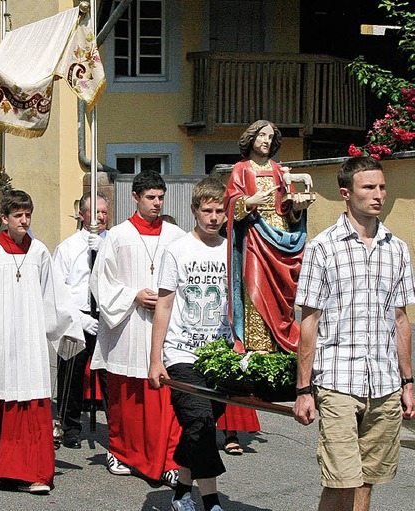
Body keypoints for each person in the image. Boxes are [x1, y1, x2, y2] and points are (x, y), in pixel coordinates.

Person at [293, 156, 415, 511]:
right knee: (341, 480)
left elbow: (401, 321)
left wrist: (408, 382)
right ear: (346, 193)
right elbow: (309, 321)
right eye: (369, 187)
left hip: (385, 382)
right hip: (338, 381)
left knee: (367, 479)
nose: (378, 195)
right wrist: (303, 389)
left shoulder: (397, 248)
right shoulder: (322, 247)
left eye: (382, 187)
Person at [0, 190, 84, 493]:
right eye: (18, 216)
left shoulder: (39, 251)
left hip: (30, 342)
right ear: (4, 219)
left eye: (28, 215)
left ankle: (30, 469)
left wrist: (70, 326)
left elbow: (53, 295)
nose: (24, 221)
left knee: (29, 403)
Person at [90, 170, 185, 486]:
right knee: (127, 398)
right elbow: (100, 281)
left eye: (160, 197)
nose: (157, 203)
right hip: (128, 325)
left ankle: (169, 460)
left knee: (165, 398)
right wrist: (134, 294)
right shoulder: (118, 235)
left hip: (165, 327)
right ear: (135, 197)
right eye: (150, 197)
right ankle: (120, 451)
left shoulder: (175, 235)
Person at [149, 177, 231, 511]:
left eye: (220, 211)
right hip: (183, 353)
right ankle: (210, 500)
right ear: (194, 210)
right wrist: (156, 360)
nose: (214, 217)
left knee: (199, 428)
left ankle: (182, 490)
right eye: (207, 210)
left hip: (221, 355)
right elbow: (164, 306)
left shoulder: (231, 249)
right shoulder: (177, 250)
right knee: (200, 423)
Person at [225, 120, 311, 353]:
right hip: (255, 237)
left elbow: (288, 207)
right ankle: (257, 344)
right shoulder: (242, 169)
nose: (266, 141)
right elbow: (229, 204)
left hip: (281, 240)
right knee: (255, 287)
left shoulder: (279, 170)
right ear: (251, 138)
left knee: (282, 293)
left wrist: (297, 208)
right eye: (262, 135)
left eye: (270, 137)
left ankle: (279, 343)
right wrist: (249, 201)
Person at [53, 191, 108, 449]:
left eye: (105, 212)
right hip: (77, 317)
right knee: (71, 374)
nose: (101, 217)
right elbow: (58, 289)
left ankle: (117, 426)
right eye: (95, 212)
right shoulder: (67, 248)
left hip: (107, 317)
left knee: (110, 375)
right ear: (82, 214)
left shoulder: (113, 243)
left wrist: (105, 251)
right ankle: (69, 426)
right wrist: (79, 318)